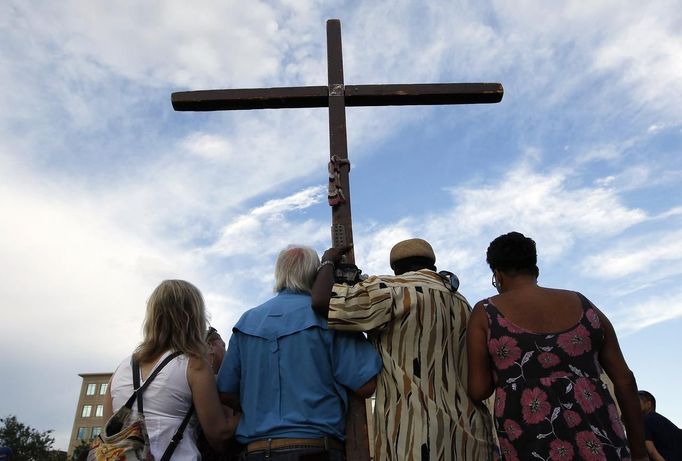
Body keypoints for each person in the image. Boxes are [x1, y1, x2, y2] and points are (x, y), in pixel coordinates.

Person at [466, 231, 648, 460]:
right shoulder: (584, 304)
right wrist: (639, 452)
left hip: (531, 444)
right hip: (603, 442)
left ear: (498, 275)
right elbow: (624, 379)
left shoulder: (486, 313)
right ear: (536, 270)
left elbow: (478, 389)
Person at [311, 239, 496, 461]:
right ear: (432, 267)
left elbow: (322, 301)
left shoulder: (390, 291)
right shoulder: (462, 302)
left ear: (396, 270)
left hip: (415, 438)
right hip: (471, 440)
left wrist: (327, 262)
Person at [217, 245, 382, 460]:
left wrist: (257, 405)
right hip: (315, 449)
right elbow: (366, 384)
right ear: (314, 273)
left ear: (280, 274)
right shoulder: (328, 317)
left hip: (255, 451)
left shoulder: (247, 321)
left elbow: (226, 391)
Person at [104, 280, 238, 459]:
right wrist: (255, 412)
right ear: (193, 317)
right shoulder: (194, 364)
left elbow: (107, 434)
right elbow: (219, 437)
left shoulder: (120, 370)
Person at [638, 390, 682, 460]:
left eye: (637, 402)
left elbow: (651, 451)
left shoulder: (645, 420)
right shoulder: (666, 423)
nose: (633, 406)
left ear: (648, 404)